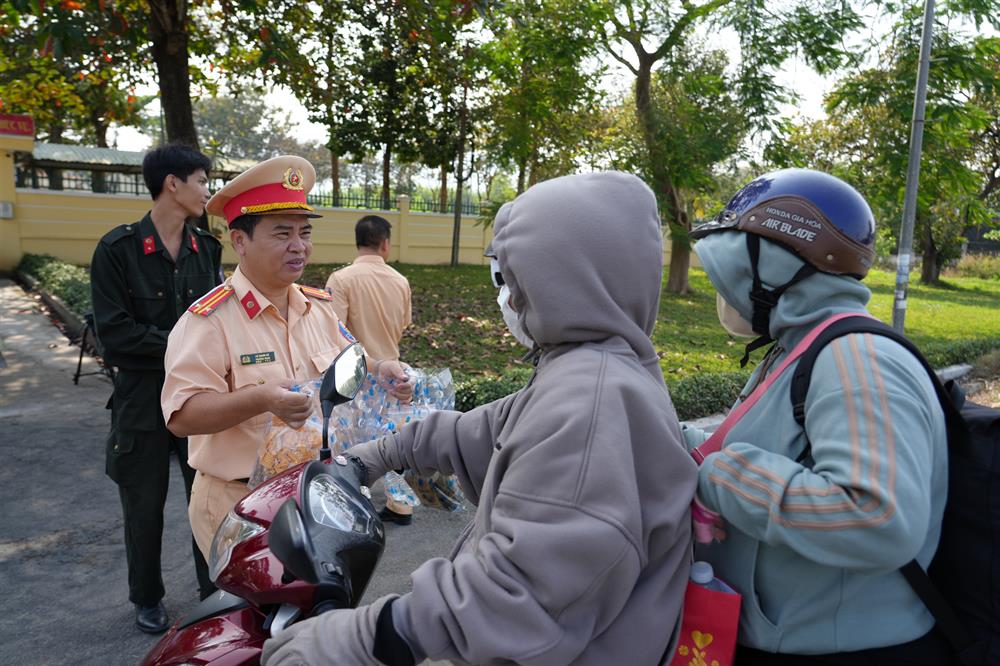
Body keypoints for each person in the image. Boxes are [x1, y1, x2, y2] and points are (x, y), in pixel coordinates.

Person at [261, 171, 698, 666]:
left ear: (563, 282)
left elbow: (519, 594)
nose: (508, 300)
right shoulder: (589, 367)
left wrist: (366, 635)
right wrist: (374, 456)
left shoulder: (592, 401)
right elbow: (484, 429)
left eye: (515, 282)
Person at [681, 168, 951, 663]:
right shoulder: (799, 348)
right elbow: (775, 445)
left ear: (776, 270)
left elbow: (878, 518)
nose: (724, 292)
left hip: (848, 650)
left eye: (732, 273)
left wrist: (716, 475)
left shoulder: (858, 362)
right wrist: (681, 440)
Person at [160, 155, 413, 561]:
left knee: (315, 616)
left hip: (315, 494)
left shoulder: (319, 308)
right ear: (239, 240)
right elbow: (182, 417)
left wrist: (383, 372)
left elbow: (350, 368)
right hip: (241, 503)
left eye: (305, 233)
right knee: (260, 619)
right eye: (282, 234)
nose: (299, 247)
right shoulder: (209, 321)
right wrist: (262, 399)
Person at [90, 143, 222, 634]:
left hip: (197, 399)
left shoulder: (205, 250)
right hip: (142, 404)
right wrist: (184, 345)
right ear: (173, 184)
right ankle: (147, 597)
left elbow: (218, 322)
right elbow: (116, 336)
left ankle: (215, 591)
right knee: (143, 508)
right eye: (202, 180)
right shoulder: (117, 251)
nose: (208, 190)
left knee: (206, 500)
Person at [326, 214, 414, 525]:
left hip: (354, 374)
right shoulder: (400, 281)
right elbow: (402, 325)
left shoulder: (341, 280)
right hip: (393, 372)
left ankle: (350, 504)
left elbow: (333, 331)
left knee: (349, 443)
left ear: (358, 241)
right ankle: (400, 505)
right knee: (392, 441)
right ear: (386, 244)